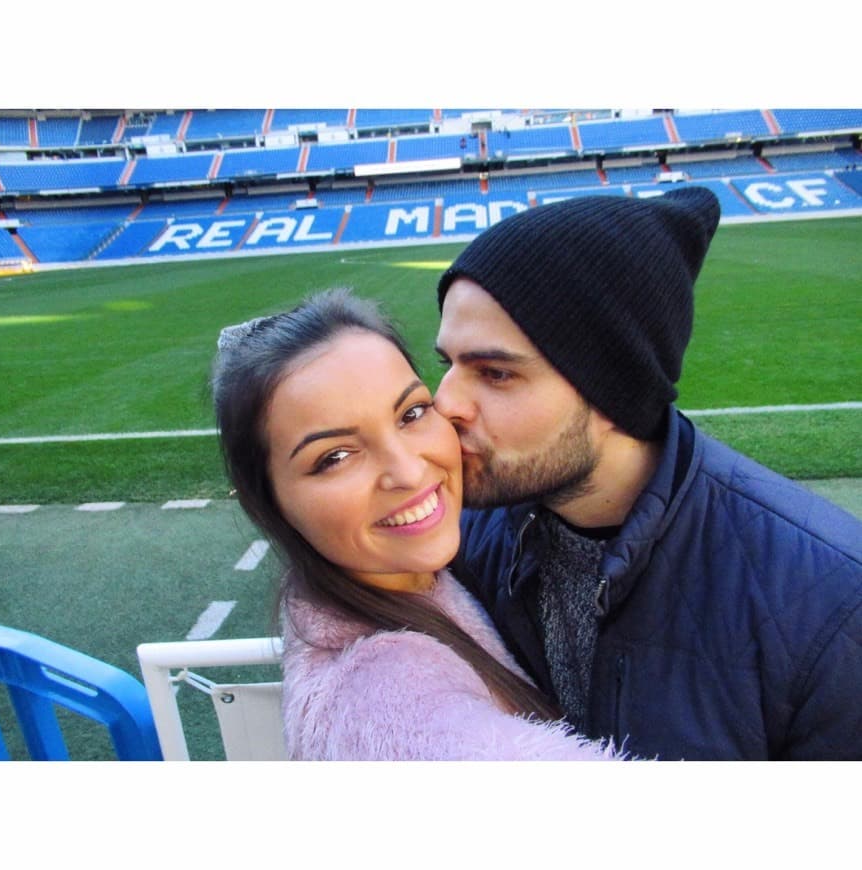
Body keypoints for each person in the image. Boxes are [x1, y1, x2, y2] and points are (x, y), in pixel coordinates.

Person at [433, 186, 862, 761]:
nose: (445, 404)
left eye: (495, 373)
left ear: (612, 391)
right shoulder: (456, 536)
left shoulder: (826, 607)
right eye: (449, 364)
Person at [211, 288, 621, 761]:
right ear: (271, 503)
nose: (408, 471)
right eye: (336, 457)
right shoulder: (385, 705)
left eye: (411, 413)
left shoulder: (389, 581)